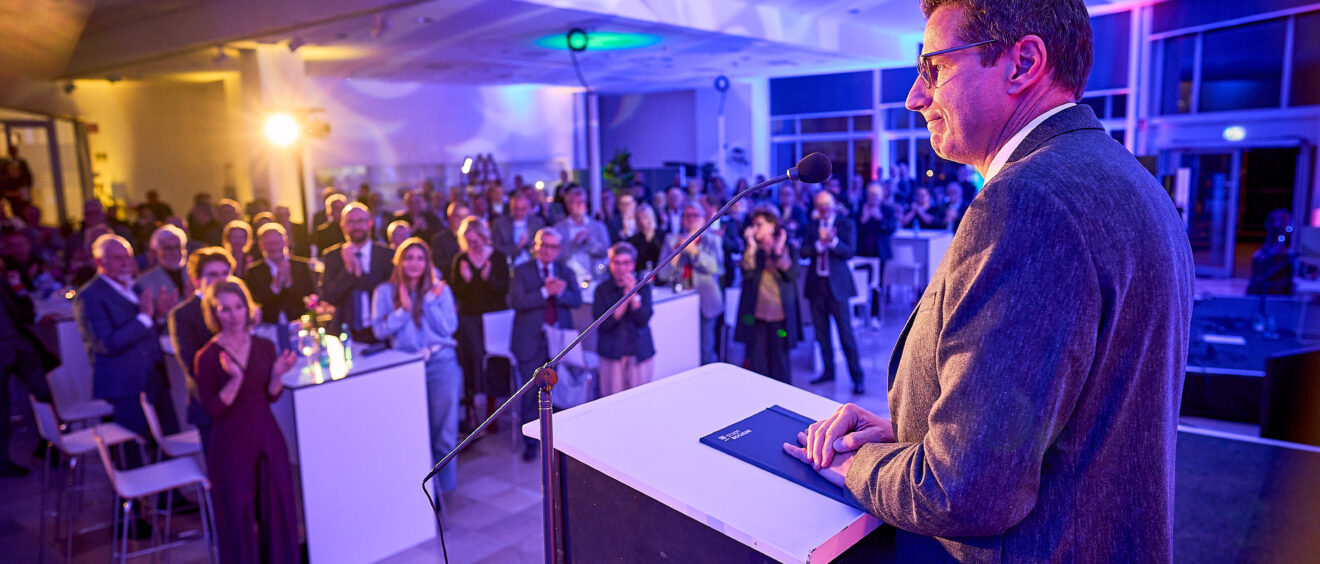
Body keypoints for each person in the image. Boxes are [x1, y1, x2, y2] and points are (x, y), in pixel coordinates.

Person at [786, 2, 1194, 561]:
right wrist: (909, 441)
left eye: (934, 67)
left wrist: (857, 464)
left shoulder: (1030, 201)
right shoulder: (1129, 179)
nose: (915, 96)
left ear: (1022, 63)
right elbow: (1055, 424)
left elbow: (966, 492)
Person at [195, 277, 298, 564]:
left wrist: (277, 374)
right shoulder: (206, 356)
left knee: (276, 510)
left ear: (248, 308)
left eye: (238, 307)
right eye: (224, 309)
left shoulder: (264, 345)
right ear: (214, 313)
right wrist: (235, 379)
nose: (233, 315)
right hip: (230, 444)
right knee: (237, 517)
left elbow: (271, 396)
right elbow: (214, 409)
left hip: (267, 437)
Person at [73, 234, 180, 466]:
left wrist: (159, 316)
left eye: (128, 258)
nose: (125, 264)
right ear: (100, 262)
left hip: (154, 377)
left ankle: (172, 498)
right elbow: (105, 344)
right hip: (124, 384)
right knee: (130, 452)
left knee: (165, 440)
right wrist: (144, 317)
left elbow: (147, 328)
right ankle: (136, 500)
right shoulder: (89, 296)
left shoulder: (135, 287)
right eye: (117, 258)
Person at [372, 238, 462, 492]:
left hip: (441, 362)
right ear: (399, 261)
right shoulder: (385, 292)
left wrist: (431, 302)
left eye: (420, 258)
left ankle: (445, 490)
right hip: (405, 366)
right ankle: (415, 490)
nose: (414, 263)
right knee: (410, 430)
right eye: (409, 257)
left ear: (427, 263)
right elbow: (379, 330)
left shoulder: (440, 290)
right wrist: (403, 310)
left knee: (444, 429)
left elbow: (449, 328)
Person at [508, 228, 581, 461]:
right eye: (544, 245)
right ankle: (530, 444)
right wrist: (543, 291)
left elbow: (576, 300)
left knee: (558, 391)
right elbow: (515, 301)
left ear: (558, 250)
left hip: (558, 340)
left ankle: (558, 442)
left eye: (553, 246)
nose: (548, 250)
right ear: (535, 246)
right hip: (530, 339)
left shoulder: (565, 271)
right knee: (530, 392)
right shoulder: (521, 271)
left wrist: (558, 294)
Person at [167, 247, 234, 454]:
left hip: (242, 402)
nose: (221, 280)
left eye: (225, 273)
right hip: (210, 403)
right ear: (197, 280)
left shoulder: (238, 306)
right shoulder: (183, 314)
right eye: (213, 275)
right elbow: (191, 365)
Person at [449, 217, 510, 431]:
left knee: (493, 362)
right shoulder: (461, 260)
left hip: (494, 319)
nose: (472, 246)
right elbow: (456, 292)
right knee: (472, 361)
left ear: (484, 238)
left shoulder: (498, 258)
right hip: (470, 318)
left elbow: (503, 289)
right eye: (468, 241)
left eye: (475, 241)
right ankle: (472, 411)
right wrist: (466, 280)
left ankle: (493, 410)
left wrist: (487, 278)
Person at [803, 190, 865, 394]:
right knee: (821, 333)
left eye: (826, 206)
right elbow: (803, 251)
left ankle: (857, 377)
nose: (824, 210)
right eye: (820, 206)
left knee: (845, 333)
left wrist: (833, 242)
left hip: (838, 286)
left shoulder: (845, 223)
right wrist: (819, 244)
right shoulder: (812, 225)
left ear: (833, 205)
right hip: (817, 285)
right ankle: (828, 371)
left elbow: (849, 251)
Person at [734, 206, 800, 383]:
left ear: (772, 225)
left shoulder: (786, 247)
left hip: (780, 315)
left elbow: (793, 273)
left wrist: (778, 252)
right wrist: (751, 246)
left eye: (759, 224)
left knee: (780, 361)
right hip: (756, 315)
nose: (754, 228)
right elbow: (746, 273)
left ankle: (785, 401)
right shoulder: (753, 249)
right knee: (757, 363)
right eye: (753, 224)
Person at [0, 274, 55, 476]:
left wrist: (19, 287)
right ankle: (2, 462)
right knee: (2, 408)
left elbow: (18, 306)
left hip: (19, 345)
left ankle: (48, 445)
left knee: (43, 394)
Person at [659, 202, 722, 365]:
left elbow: (716, 267)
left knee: (705, 349)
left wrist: (694, 251)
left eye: (695, 215)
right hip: (679, 301)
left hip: (705, 301)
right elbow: (662, 274)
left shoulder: (712, 240)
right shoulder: (670, 239)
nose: (691, 219)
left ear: (702, 219)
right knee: (681, 348)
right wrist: (677, 253)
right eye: (687, 215)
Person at [319, 203, 392, 342]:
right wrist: (347, 268)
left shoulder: (387, 254)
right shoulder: (332, 256)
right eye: (350, 222)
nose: (356, 226)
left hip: (380, 331)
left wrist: (359, 273)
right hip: (345, 333)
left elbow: (387, 293)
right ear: (342, 225)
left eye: (361, 221)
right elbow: (329, 296)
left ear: (370, 223)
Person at [592, 242, 654, 396]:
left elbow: (643, 318)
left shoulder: (644, 287)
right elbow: (605, 323)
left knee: (640, 401)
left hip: (639, 352)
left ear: (633, 264)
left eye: (626, 263)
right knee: (612, 402)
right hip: (612, 354)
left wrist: (634, 296)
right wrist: (628, 296)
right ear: (610, 264)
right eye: (617, 263)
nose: (621, 268)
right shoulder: (602, 290)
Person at [245, 224, 315, 328]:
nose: (274, 247)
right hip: (268, 326)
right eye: (269, 243)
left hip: (299, 323)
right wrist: (274, 287)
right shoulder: (253, 271)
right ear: (261, 245)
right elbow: (255, 303)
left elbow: (310, 296)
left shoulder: (301, 266)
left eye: (277, 242)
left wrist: (288, 282)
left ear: (285, 242)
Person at [857, 181, 899, 325]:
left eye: (876, 195)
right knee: (859, 282)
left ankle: (876, 315)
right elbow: (854, 229)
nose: (873, 198)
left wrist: (880, 218)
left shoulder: (887, 210)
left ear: (881, 196)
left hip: (879, 253)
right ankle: (858, 315)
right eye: (870, 195)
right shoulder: (861, 208)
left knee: (877, 285)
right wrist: (863, 219)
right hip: (862, 253)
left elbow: (892, 228)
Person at [554, 186, 610, 275]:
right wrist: (574, 243)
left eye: (582, 202)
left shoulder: (598, 227)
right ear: (568, 205)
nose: (580, 205)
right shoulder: (559, 229)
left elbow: (605, 252)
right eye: (576, 202)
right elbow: (555, 256)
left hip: (594, 278)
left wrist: (589, 241)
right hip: (568, 278)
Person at [136, 224, 191, 302]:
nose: (174, 252)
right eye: (167, 248)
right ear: (155, 252)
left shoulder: (196, 274)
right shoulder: (144, 282)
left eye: (178, 247)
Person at [492, 192, 545, 265]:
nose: (519, 213)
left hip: (532, 263)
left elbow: (542, 245)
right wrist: (517, 247)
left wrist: (528, 242)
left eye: (522, 209)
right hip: (508, 263)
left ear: (528, 208)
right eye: (516, 209)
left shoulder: (537, 223)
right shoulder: (501, 223)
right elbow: (497, 247)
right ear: (511, 208)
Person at [430, 202, 469, 282]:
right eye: (458, 216)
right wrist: (459, 258)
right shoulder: (439, 239)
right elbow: (438, 264)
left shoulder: (472, 238)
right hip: (449, 281)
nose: (462, 220)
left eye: (465, 217)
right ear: (449, 217)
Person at [626, 204, 663, 273]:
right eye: (638, 218)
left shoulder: (661, 235)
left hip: (659, 273)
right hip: (640, 275)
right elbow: (636, 260)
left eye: (644, 217)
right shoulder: (633, 239)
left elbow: (662, 256)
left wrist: (652, 239)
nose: (641, 221)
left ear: (651, 217)